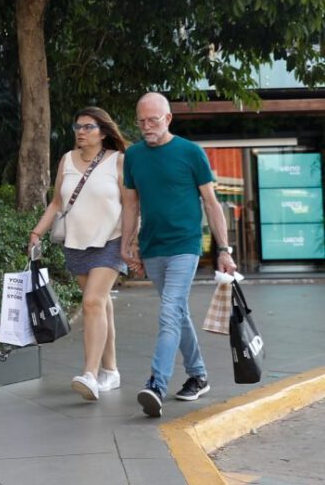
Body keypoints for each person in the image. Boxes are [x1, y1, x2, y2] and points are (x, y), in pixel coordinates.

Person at [121, 92, 237, 418]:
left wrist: (224, 249)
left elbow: (212, 204)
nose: (147, 126)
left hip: (185, 246)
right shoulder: (133, 156)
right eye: (141, 122)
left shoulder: (190, 152)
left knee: (169, 312)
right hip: (152, 247)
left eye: (153, 120)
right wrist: (126, 244)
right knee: (178, 312)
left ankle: (156, 384)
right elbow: (130, 204)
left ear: (168, 118)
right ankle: (198, 375)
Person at [30, 107, 135, 401]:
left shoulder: (118, 161)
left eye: (88, 127)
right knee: (100, 305)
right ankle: (111, 371)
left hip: (111, 241)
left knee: (91, 302)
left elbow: (130, 204)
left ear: (103, 132)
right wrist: (36, 232)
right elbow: (56, 203)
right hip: (76, 243)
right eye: (78, 126)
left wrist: (131, 241)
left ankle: (90, 374)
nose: (81, 132)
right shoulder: (66, 160)